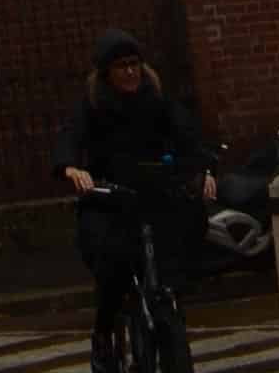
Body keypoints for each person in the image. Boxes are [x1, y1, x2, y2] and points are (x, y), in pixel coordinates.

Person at [60, 30, 214, 363]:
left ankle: (168, 308)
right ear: (106, 73)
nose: (131, 73)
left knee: (178, 244)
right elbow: (71, 137)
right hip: (110, 200)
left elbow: (187, 136)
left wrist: (203, 171)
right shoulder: (93, 105)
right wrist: (72, 168)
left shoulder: (156, 99)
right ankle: (103, 335)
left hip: (153, 196)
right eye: (121, 67)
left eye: (135, 64)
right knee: (111, 267)